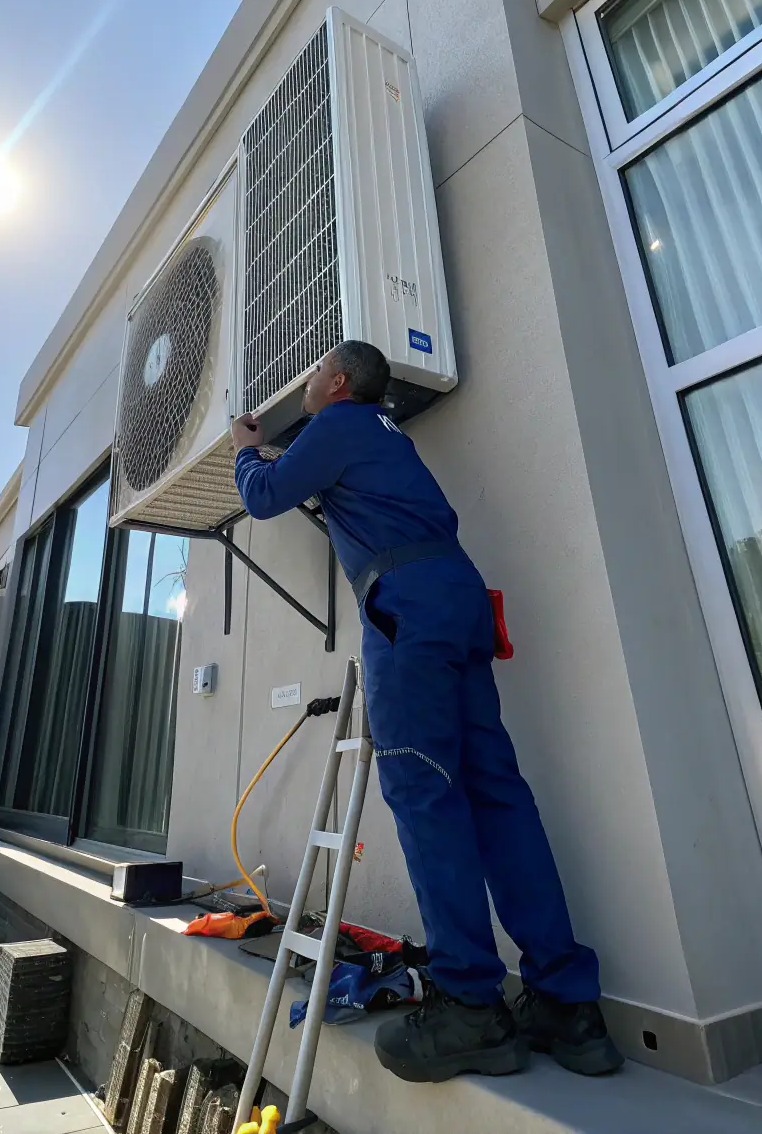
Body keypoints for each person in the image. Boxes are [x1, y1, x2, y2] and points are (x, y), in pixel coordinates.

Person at [231, 340, 622, 1082]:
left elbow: (264, 496)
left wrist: (248, 449)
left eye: (315, 373)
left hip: (406, 612)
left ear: (339, 382)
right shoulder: (390, 439)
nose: (308, 382)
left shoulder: (339, 425)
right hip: (459, 602)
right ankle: (569, 1007)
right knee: (500, 798)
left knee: (427, 798)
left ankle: (472, 1007)